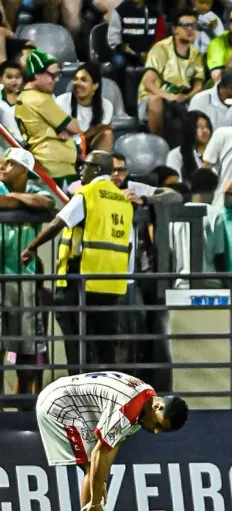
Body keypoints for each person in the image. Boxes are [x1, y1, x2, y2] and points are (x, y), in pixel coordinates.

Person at [22, 151, 134, 374]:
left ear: (98, 170)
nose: (81, 169)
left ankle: (78, 389)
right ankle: (106, 391)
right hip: (111, 283)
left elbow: (58, 223)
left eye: (86, 165)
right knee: (104, 343)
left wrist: (32, 247)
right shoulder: (123, 200)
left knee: (75, 342)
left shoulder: (88, 193)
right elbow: (128, 244)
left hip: (79, 280)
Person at [35, 372, 187, 511]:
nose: (155, 431)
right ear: (157, 406)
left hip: (70, 399)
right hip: (58, 404)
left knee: (98, 476)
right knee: (91, 468)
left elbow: (113, 443)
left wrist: (103, 480)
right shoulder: (129, 409)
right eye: (158, 425)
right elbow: (98, 454)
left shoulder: (146, 401)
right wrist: (95, 502)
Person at [0, 147, 54, 400]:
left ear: (24, 171)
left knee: (28, 348)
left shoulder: (36, 192)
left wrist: (15, 200)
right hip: (3, 278)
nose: (3, 166)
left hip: (24, 280)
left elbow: (47, 202)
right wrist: (21, 202)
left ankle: (25, 408)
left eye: (9, 163)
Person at [15, 49, 79, 187]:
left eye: (58, 75)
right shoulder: (40, 99)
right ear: (37, 74)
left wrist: (61, 129)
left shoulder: (25, 96)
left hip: (50, 164)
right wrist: (65, 129)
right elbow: (75, 127)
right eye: (52, 75)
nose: (56, 80)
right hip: (57, 169)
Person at [138, 9, 204, 136]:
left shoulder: (196, 53)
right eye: (185, 26)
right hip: (155, 94)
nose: (190, 29)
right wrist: (169, 96)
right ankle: (158, 142)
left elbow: (199, 84)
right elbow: (148, 83)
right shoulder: (161, 48)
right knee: (155, 101)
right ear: (175, 29)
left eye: (194, 26)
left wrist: (189, 96)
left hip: (181, 97)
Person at [170, 168, 226, 289]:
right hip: (210, 281)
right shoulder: (215, 214)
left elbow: (171, 252)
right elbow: (219, 254)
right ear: (213, 189)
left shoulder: (175, 215)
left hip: (181, 283)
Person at [55, 63, 115, 152]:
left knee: (107, 134)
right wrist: (96, 130)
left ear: (95, 86)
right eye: (75, 79)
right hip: (67, 147)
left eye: (83, 80)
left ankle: (98, 165)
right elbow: (63, 136)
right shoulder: (61, 101)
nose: (77, 83)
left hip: (91, 147)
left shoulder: (106, 106)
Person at [166, 111, 213, 181]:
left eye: (207, 126)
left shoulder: (215, 151)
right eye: (199, 127)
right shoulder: (176, 155)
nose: (205, 130)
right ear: (190, 128)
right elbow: (175, 184)